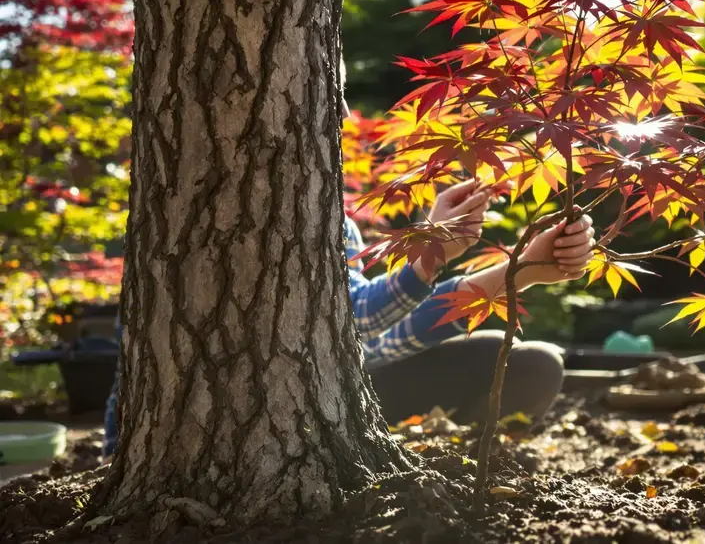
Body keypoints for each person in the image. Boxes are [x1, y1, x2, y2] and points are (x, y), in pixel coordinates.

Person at [102, 95, 596, 458]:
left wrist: (520, 272)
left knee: (529, 364)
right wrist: (430, 254)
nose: (336, 115)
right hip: (201, 439)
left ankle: (436, 466)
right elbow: (348, 322)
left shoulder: (333, 222)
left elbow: (371, 341)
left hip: (317, 408)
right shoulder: (179, 220)